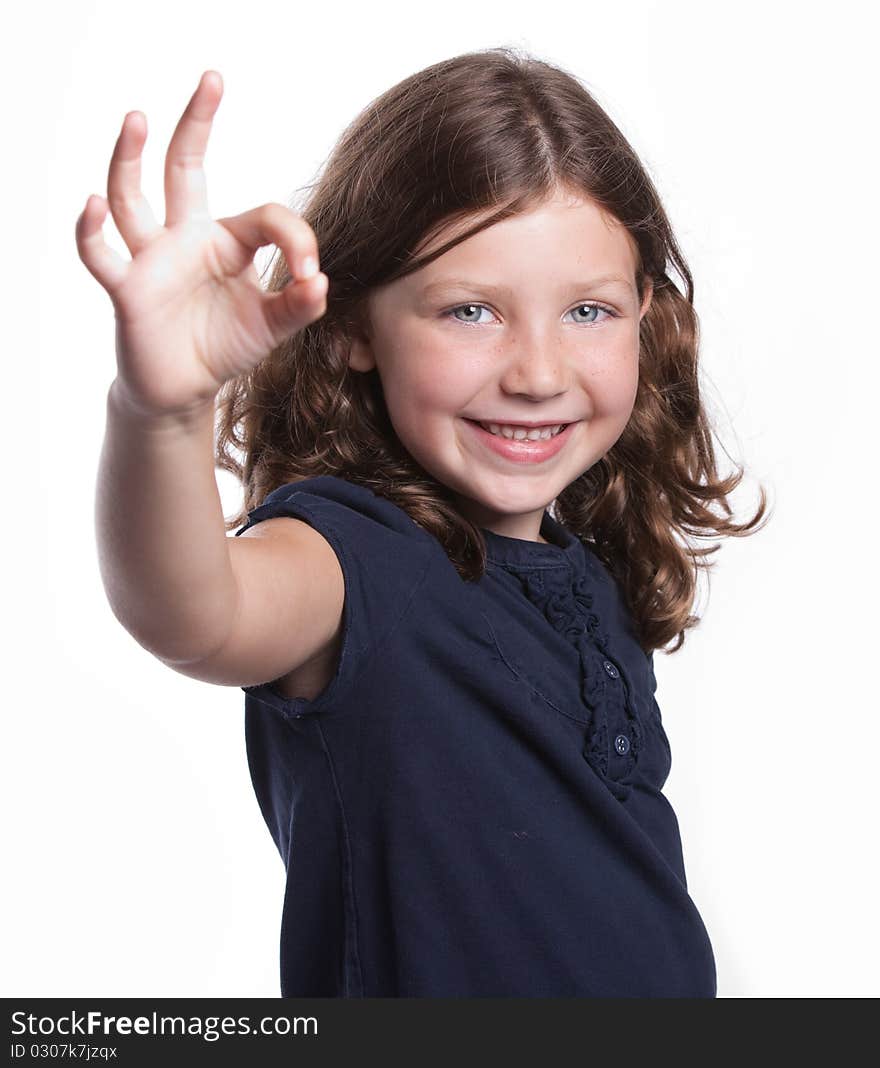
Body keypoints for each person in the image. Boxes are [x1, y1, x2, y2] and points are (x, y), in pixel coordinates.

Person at [78, 49, 768, 998]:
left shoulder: (592, 578)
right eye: (472, 311)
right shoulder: (348, 559)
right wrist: (160, 409)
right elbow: (196, 612)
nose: (537, 371)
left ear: (645, 315)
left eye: (588, 311)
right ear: (355, 325)